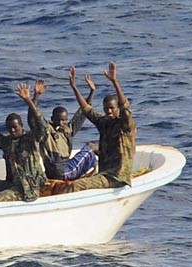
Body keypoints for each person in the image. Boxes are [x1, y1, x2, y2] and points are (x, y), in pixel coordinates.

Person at [58, 61, 136, 193]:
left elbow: (125, 107)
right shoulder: (104, 123)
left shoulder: (125, 126)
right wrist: (74, 87)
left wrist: (115, 82)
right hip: (105, 174)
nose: (109, 112)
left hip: (117, 177)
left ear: (117, 108)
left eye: (112, 108)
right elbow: (87, 109)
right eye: (106, 109)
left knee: (74, 186)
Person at [31, 75, 98, 180]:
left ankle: (97, 168)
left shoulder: (68, 130)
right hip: (61, 173)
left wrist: (92, 91)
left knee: (89, 147)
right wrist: (36, 96)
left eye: (64, 120)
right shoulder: (46, 131)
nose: (61, 123)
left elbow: (84, 111)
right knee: (91, 148)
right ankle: (103, 169)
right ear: (52, 119)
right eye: (58, 120)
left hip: (66, 168)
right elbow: (34, 118)